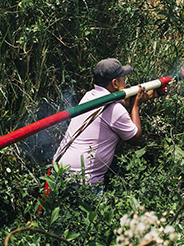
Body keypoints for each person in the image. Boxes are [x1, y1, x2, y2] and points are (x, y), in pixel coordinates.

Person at [53, 58, 155, 192]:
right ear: (115, 83)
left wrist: (146, 96)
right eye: (123, 79)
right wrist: (136, 107)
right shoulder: (115, 111)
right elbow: (135, 138)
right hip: (84, 182)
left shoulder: (89, 96)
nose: (125, 83)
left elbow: (123, 102)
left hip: (59, 170)